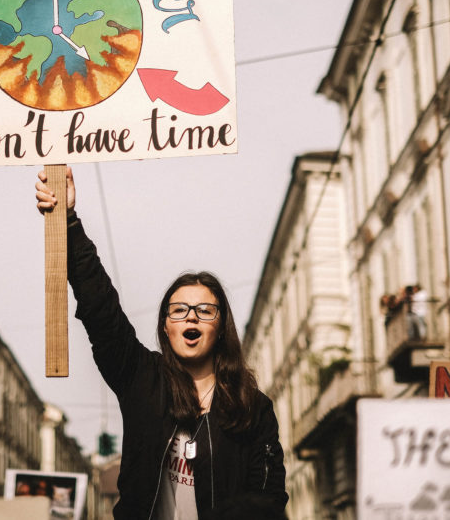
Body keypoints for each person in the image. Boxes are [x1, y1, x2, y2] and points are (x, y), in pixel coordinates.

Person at [36, 168, 288, 520]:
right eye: (179, 309)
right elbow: (101, 311)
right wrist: (69, 222)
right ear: (166, 326)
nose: (191, 317)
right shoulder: (142, 378)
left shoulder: (252, 407)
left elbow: (269, 500)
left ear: (220, 327)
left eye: (205, 310)